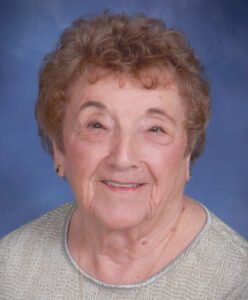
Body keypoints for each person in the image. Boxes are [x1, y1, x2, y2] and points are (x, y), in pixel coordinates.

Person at [0, 12, 247, 300]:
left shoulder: (236, 283)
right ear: (59, 148)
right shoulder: (10, 271)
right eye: (96, 125)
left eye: (155, 129)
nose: (123, 157)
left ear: (188, 151)